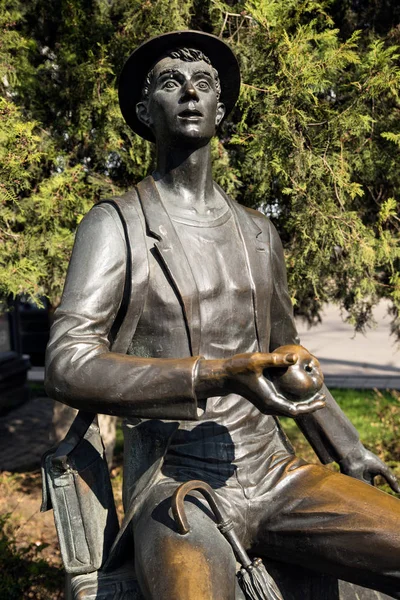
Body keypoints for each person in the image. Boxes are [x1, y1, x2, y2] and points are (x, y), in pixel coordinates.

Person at [45, 30, 400, 600]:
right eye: (171, 83)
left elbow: (290, 359)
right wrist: (212, 373)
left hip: (273, 473)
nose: (189, 93)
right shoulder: (115, 225)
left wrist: (346, 447)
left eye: (203, 84)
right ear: (144, 110)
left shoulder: (259, 233)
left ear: (221, 109)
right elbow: (68, 363)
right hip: (175, 485)